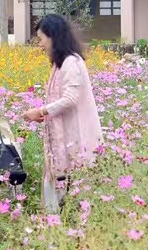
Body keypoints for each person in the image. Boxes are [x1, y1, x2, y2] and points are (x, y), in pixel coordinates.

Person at [22, 14, 102, 211]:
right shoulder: (61, 63)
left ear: (53, 37)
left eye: (41, 39)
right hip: (65, 131)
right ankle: (55, 223)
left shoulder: (71, 62)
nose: (40, 44)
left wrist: (41, 110)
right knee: (59, 180)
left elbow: (70, 99)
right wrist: (45, 113)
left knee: (73, 183)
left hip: (75, 133)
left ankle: (62, 225)